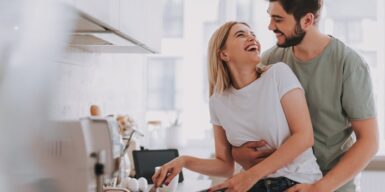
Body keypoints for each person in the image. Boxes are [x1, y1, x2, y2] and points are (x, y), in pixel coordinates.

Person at [152, 21, 322, 192]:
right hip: (252, 184)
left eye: (253, 34)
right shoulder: (218, 101)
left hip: (296, 181)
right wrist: (184, 161)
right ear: (223, 54)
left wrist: (251, 175)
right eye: (241, 35)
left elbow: (304, 137)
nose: (252, 38)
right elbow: (224, 165)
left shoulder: (278, 74)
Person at [231, 0, 379, 192]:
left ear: (307, 20)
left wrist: (319, 188)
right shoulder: (269, 61)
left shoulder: (349, 65)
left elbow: (369, 141)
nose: (270, 26)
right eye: (270, 17)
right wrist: (237, 153)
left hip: (332, 186)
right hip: (282, 183)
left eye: (278, 19)